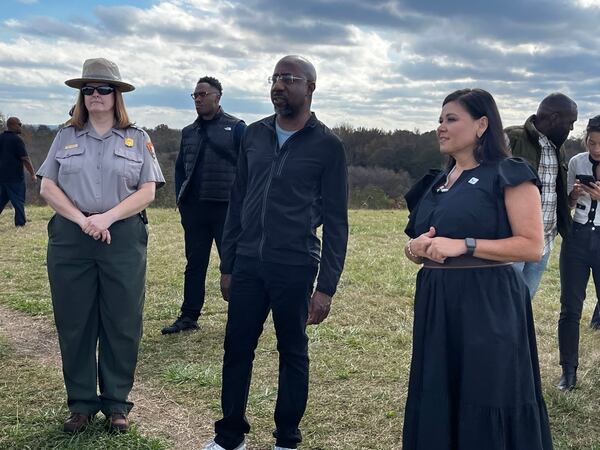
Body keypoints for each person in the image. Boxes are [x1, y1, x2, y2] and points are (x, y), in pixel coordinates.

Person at [202, 55, 348, 450]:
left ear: (310, 87)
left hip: (296, 265)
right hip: (248, 263)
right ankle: (229, 436)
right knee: (236, 350)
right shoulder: (254, 135)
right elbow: (238, 199)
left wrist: (326, 287)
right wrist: (228, 264)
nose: (278, 85)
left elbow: (337, 221)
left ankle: (286, 438)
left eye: (289, 78)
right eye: (275, 78)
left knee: (293, 352)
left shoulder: (328, 146)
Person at [402, 88, 552, 450]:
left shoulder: (507, 173)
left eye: (451, 119)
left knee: (486, 392)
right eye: (440, 119)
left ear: (482, 124)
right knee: (440, 390)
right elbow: (419, 240)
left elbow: (532, 245)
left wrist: (465, 245)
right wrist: (414, 248)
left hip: (487, 304)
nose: (441, 127)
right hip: (438, 304)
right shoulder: (438, 181)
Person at [36, 58, 165, 433]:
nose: (95, 95)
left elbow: (147, 190)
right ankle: (80, 403)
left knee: (121, 320)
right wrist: (83, 220)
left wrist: (106, 219)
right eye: (88, 89)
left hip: (121, 235)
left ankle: (116, 404)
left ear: (116, 95)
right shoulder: (65, 136)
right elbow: (47, 186)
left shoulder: (138, 138)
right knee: (74, 320)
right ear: (82, 96)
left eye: (103, 89)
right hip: (72, 237)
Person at [161, 76, 245, 335]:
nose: (198, 99)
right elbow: (180, 169)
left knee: (232, 265)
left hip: (226, 210)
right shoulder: (189, 132)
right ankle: (188, 316)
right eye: (195, 95)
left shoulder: (237, 127)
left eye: (203, 94)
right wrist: (181, 198)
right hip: (195, 210)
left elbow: (249, 169)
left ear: (217, 97)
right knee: (194, 263)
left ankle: (241, 317)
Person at [505, 93, 577, 298]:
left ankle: (519, 331)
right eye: (570, 122)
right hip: (513, 239)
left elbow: (555, 192)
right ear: (554, 118)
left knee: (525, 302)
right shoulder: (512, 137)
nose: (571, 129)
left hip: (543, 242)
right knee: (505, 301)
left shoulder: (559, 148)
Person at [556, 115, 600, 391]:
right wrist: (573, 195)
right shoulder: (576, 162)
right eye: (592, 142)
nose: (596, 149)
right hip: (577, 238)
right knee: (570, 308)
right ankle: (568, 372)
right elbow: (568, 205)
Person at [0, 116, 36, 226]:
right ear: (12, 125)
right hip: (15, 177)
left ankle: (20, 221)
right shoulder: (17, 140)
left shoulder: (0, 138)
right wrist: (32, 173)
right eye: (19, 124)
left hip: (2, 176)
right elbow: (24, 158)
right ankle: (20, 223)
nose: (21, 126)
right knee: (18, 200)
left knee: (2, 199)